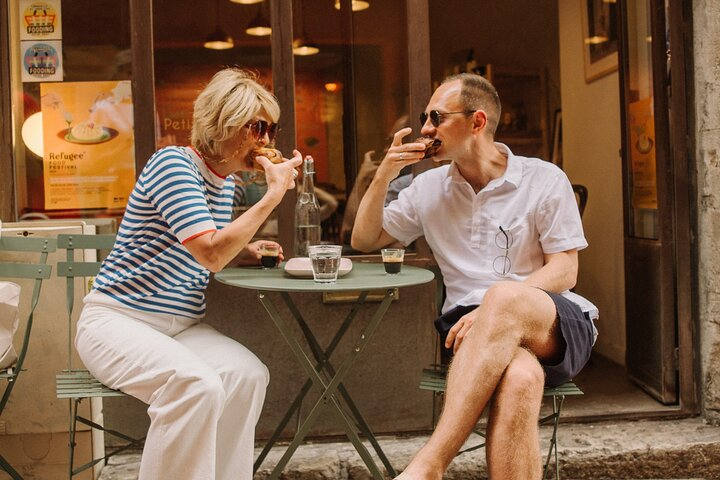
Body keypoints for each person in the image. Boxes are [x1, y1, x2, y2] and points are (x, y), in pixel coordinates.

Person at [351, 72, 598, 479]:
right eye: (425, 117)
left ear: (477, 122)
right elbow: (364, 239)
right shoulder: (427, 187)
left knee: (501, 297)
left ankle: (429, 464)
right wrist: (384, 174)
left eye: (436, 117)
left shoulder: (542, 178)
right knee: (520, 379)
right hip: (466, 330)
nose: (426, 128)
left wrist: (494, 306)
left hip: (551, 317)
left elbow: (565, 269)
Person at [74, 68, 302, 480]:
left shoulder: (226, 186)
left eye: (272, 128)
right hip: (116, 321)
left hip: (181, 327)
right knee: (196, 384)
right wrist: (273, 195)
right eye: (258, 127)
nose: (267, 140)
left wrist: (246, 248)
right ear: (224, 123)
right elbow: (210, 253)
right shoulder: (174, 164)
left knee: (247, 375)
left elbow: (207, 245)